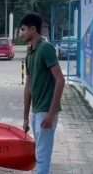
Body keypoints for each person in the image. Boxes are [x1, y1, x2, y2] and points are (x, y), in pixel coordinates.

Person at [20, 13, 65, 174]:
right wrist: (26, 117)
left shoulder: (46, 48)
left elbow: (60, 80)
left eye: (23, 29)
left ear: (33, 29)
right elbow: (29, 86)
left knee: (43, 157)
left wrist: (51, 114)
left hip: (46, 111)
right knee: (40, 154)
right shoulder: (30, 53)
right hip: (37, 111)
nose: (21, 33)